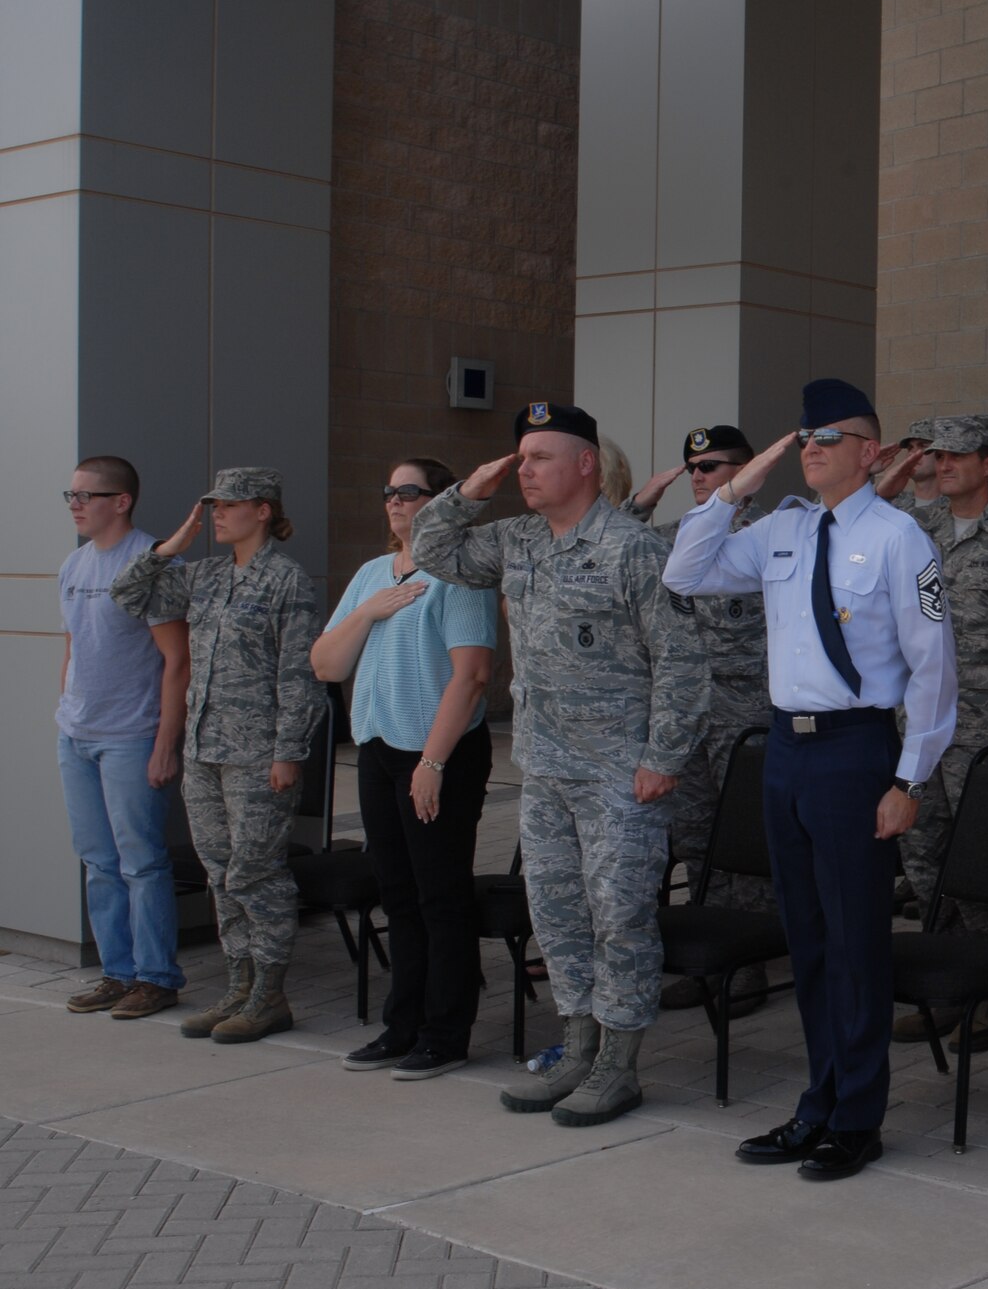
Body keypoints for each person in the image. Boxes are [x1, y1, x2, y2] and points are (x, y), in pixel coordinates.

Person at [663, 378, 956, 1182]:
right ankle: (819, 1100)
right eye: (804, 437)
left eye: (829, 436)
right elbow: (686, 571)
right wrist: (741, 482)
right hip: (784, 753)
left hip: (857, 751)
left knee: (857, 941)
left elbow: (934, 669)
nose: (813, 447)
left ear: (871, 452)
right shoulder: (782, 531)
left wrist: (911, 777)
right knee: (809, 939)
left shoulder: (902, 540)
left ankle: (857, 1116)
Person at [412, 402, 705, 1126]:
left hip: (617, 775)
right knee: (560, 916)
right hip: (543, 769)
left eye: (540, 456)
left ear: (585, 464)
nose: (525, 469)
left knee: (621, 918)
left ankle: (618, 1064)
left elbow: (681, 660)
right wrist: (469, 490)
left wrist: (662, 757)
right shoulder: (515, 540)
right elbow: (431, 550)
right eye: (520, 456)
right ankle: (576, 1044)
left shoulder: (633, 549)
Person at [112, 467, 323, 1045]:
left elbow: (299, 676)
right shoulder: (202, 574)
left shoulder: (288, 582)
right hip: (205, 751)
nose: (216, 515)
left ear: (262, 510)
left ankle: (269, 994)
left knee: (259, 874)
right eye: (212, 505)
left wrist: (289, 752)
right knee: (222, 874)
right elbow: (126, 595)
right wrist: (167, 549)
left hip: (258, 755)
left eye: (228, 505)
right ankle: (238, 986)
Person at [313, 458, 498, 1080]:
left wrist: (433, 761)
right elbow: (327, 664)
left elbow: (471, 677)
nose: (395, 501)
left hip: (437, 754)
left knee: (439, 895)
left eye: (410, 491)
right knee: (397, 893)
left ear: (443, 499)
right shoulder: (372, 574)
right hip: (377, 749)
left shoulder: (460, 573)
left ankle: (444, 1033)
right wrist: (369, 612)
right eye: (388, 490)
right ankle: (403, 1026)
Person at [890, 414, 988, 1053]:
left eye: (959, 455)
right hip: (919, 724)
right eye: (939, 454)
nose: (945, 463)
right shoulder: (916, 529)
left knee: (982, 862)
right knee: (924, 856)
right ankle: (950, 983)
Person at [628, 425, 776, 1017]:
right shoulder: (678, 537)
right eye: (693, 467)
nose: (698, 476)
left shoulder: (770, 534)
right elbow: (613, 542)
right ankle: (709, 956)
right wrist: (640, 503)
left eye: (712, 467)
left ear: (743, 473)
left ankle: (751, 961)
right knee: (695, 836)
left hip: (749, 709)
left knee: (747, 837)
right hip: (688, 713)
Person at [58, 456, 191, 1020]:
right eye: (70, 495)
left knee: (141, 861)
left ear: (122, 501)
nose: (75, 504)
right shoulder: (73, 563)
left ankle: (156, 978)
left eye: (87, 495)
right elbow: (73, 646)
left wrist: (165, 743)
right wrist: (64, 709)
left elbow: (177, 660)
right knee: (97, 860)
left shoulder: (151, 562)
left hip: (132, 737)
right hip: (77, 734)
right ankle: (117, 973)